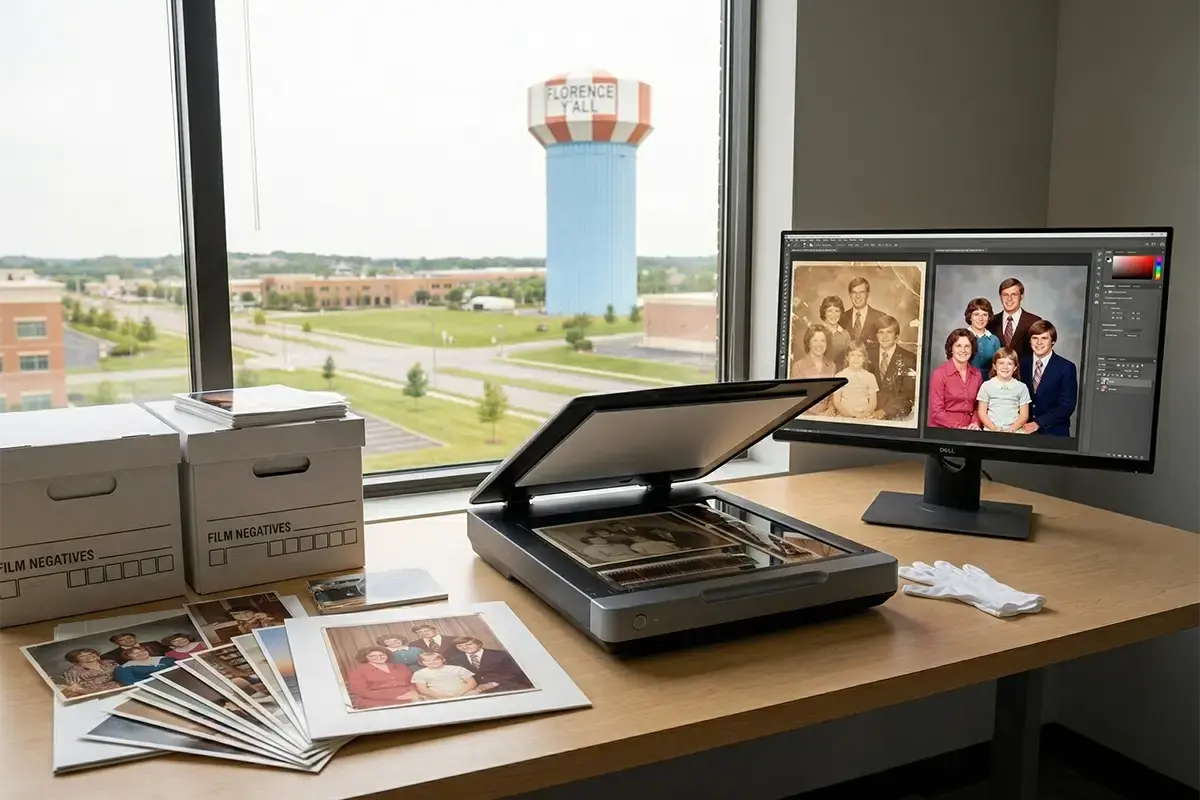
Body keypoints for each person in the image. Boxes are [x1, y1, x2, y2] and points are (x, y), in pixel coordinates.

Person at [1019, 320, 1078, 436]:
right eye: (1035, 338)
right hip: (1023, 430)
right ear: (1030, 341)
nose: (1039, 342)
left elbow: (1067, 405)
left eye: (1044, 338)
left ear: (1053, 341)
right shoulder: (1021, 364)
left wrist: (1038, 423)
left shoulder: (1066, 367)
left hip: (1054, 432)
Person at [927, 329, 984, 429]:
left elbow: (978, 406)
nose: (963, 350)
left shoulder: (977, 374)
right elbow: (937, 412)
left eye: (967, 346)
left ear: (972, 349)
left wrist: (975, 423)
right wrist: (959, 427)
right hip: (943, 429)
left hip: (970, 428)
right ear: (951, 349)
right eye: (958, 346)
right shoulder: (939, 374)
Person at [868, 315, 917, 420]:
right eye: (881, 332)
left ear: (896, 335)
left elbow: (908, 395)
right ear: (876, 335)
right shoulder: (867, 355)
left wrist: (884, 412)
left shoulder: (909, 359)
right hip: (867, 412)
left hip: (895, 416)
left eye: (889, 332)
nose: (884, 337)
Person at [448, 636, 533, 694]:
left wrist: (492, 684)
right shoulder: (455, 660)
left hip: (505, 686)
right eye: (460, 646)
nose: (465, 647)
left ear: (479, 644)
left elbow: (516, 672)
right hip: (475, 690)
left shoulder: (500, 655)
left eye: (469, 644)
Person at [344, 646, 421, 710]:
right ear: (366, 657)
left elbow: (412, 682)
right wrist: (394, 697)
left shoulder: (401, 667)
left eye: (382, 655)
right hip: (375, 699)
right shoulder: (358, 671)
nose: (379, 657)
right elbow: (361, 692)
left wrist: (413, 692)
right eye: (373, 656)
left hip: (407, 695)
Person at [986, 278, 1042, 362]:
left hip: (1025, 373)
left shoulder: (1034, 321)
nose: (1009, 299)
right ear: (1000, 297)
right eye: (1005, 295)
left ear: (1021, 296)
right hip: (998, 373)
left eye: (1014, 294)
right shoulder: (991, 321)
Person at [977, 347, 1031, 433]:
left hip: (1015, 431)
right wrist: (993, 428)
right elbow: (982, 412)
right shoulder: (986, 386)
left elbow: (1024, 415)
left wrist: (1012, 429)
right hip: (991, 430)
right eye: (1001, 363)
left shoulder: (1021, 387)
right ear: (994, 366)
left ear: (1015, 367)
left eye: (1010, 363)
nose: (1005, 367)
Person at [791, 324, 837, 415]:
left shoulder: (832, 366)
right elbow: (795, 400)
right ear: (809, 343)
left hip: (827, 417)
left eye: (823, 341)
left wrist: (830, 410)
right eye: (815, 340)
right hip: (805, 417)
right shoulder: (798, 366)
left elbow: (832, 395)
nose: (819, 344)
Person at [832, 340, 878, 419]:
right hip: (844, 417)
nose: (856, 358)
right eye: (852, 355)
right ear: (847, 358)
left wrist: (862, 416)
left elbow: (873, 403)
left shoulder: (870, 377)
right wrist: (849, 417)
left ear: (864, 358)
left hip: (864, 419)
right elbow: (837, 402)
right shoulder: (839, 376)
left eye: (859, 355)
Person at [839, 278, 886, 346]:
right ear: (850, 294)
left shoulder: (880, 317)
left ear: (867, 294)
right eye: (854, 292)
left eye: (861, 292)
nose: (857, 296)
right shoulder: (842, 318)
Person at [411, 651, 477, 700]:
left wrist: (458, 694)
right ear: (422, 663)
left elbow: (472, 683)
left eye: (435, 659)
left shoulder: (457, 668)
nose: (432, 662)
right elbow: (423, 689)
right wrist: (442, 697)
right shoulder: (419, 673)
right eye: (427, 661)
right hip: (437, 697)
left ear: (443, 659)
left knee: (474, 694)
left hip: (463, 693)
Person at [964, 297, 1001, 376]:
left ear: (989, 317)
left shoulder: (994, 340)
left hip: (989, 383)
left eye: (984, 315)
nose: (980, 319)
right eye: (976, 314)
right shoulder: (962, 337)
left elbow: (998, 366)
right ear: (970, 316)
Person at [817, 296, 851, 369]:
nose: (833, 315)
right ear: (824, 312)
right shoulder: (816, 332)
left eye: (837, 311)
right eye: (830, 311)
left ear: (841, 313)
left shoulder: (845, 335)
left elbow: (848, 360)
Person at [100, 632, 168, 664]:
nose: (127, 641)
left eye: (129, 638)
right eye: (122, 640)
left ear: (134, 637)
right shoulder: (110, 656)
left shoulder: (154, 644)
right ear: (115, 643)